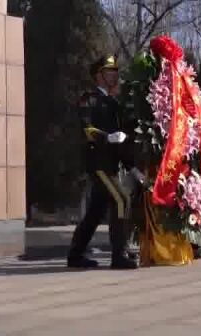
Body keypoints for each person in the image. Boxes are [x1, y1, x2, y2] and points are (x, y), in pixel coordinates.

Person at [68, 55, 139, 269]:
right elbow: (86, 128)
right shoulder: (89, 99)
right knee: (121, 199)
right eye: (109, 71)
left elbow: (121, 141)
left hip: (111, 164)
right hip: (98, 164)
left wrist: (132, 167)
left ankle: (75, 254)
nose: (114, 75)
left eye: (115, 71)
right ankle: (119, 254)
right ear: (98, 75)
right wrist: (105, 136)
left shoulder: (113, 102)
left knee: (95, 212)